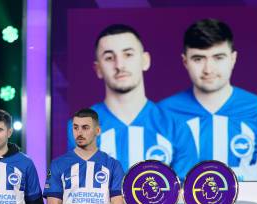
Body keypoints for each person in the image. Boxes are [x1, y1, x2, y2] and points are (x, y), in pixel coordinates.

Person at [68, 24, 193, 179]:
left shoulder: (177, 126)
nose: (119, 65)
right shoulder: (80, 127)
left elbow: (184, 196)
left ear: (145, 60)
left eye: (128, 54)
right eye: (109, 58)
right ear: (98, 69)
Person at [159, 19, 257, 181]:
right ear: (185, 61)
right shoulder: (162, 112)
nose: (208, 69)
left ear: (233, 58)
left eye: (218, 57)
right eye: (198, 59)